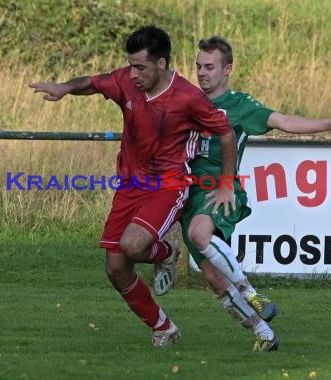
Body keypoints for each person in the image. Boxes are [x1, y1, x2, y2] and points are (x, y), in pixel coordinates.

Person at [29, 26, 244, 347]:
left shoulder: (187, 97)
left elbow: (225, 132)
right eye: (130, 65)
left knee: (132, 246)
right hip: (130, 185)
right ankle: (163, 327)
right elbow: (92, 82)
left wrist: (226, 182)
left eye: (140, 67)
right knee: (116, 268)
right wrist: (64, 88)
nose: (132, 73)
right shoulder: (128, 81)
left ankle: (166, 252)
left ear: (161, 64)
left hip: (168, 185)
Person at [154, 36, 331, 351]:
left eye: (210, 67)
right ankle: (263, 333)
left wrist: (326, 122)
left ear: (227, 69)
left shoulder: (241, 105)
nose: (202, 73)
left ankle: (251, 293)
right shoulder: (189, 101)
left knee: (199, 233)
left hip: (221, 190)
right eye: (198, 66)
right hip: (189, 195)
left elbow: (284, 121)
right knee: (213, 278)